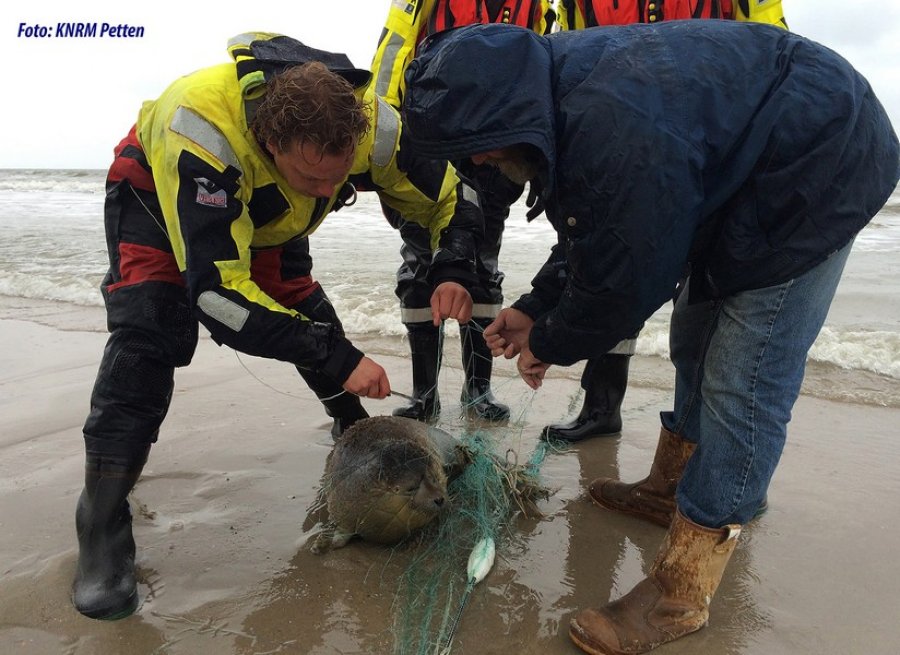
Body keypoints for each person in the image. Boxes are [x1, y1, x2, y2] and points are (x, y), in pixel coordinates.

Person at [401, 22, 899, 654]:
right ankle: (672, 487)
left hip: (819, 169)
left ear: (504, 111)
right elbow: (601, 231)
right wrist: (534, 309)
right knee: (694, 339)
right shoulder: (558, 104)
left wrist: (549, 342)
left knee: (744, 376)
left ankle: (681, 592)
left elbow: (628, 277)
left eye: (476, 144)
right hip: (744, 171)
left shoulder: (611, 121)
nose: (475, 160)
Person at [73, 31, 485, 621]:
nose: (328, 193)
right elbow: (219, 300)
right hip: (161, 200)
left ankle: (353, 431)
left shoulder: (374, 128)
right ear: (269, 140)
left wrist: (451, 268)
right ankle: (102, 516)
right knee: (152, 334)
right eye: (313, 178)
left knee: (300, 304)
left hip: (270, 211)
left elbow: (456, 195)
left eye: (339, 181)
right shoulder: (204, 132)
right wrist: (342, 359)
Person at [542, 0, 788, 443]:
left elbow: (775, 49)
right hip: (621, 143)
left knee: (708, 312)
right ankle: (604, 407)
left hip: (714, 145)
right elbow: (569, 57)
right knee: (614, 268)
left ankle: (710, 471)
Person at [370, 0, 555, 422]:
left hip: (502, 143)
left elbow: (546, 62)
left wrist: (538, 156)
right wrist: (391, 147)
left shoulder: (540, 4)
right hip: (433, 143)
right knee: (421, 262)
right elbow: (390, 58)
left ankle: (479, 392)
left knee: (484, 264)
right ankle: (424, 395)